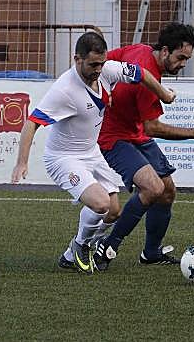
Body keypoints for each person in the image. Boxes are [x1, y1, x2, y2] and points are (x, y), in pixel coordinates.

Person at [11, 31, 175, 274]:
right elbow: (31, 123)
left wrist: (164, 94)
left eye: (101, 63)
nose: (98, 69)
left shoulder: (106, 70)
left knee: (114, 211)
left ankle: (70, 256)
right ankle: (80, 245)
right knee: (100, 204)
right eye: (93, 64)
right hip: (64, 158)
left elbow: (141, 74)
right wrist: (21, 163)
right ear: (77, 59)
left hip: (92, 153)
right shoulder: (64, 90)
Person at [91, 22, 194, 270]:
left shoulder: (140, 49)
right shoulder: (147, 83)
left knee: (167, 191)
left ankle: (151, 252)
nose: (183, 64)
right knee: (153, 188)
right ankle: (107, 246)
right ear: (164, 51)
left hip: (135, 133)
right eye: (180, 57)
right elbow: (152, 127)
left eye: (187, 59)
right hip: (112, 137)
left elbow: (105, 61)